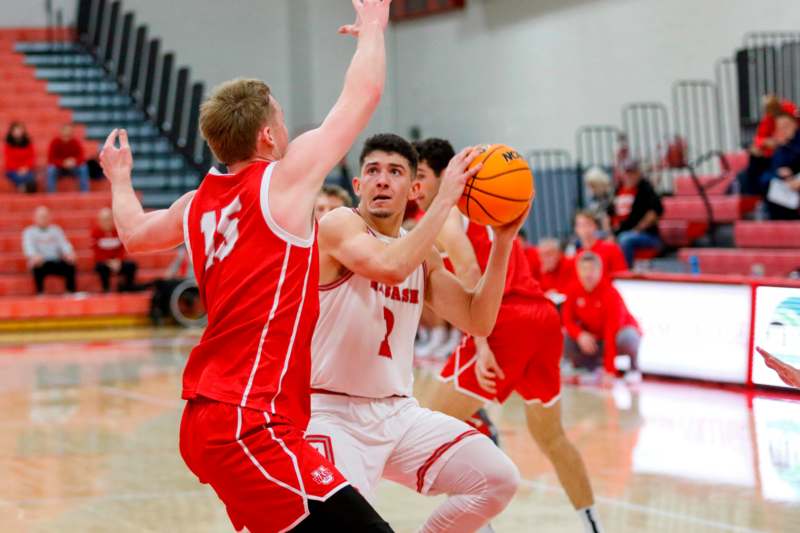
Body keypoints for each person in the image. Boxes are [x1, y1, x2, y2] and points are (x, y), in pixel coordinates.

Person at [98, 1, 395, 531]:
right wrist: (373, 26)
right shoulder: (281, 183)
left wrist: (120, 180)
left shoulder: (196, 204)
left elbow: (135, 235)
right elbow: (361, 97)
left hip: (215, 417)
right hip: (249, 421)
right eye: (279, 116)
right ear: (266, 136)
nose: (284, 125)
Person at [307, 134, 523, 532]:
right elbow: (388, 266)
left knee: (497, 480)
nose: (382, 180)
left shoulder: (422, 252)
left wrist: (502, 242)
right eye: (372, 171)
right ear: (358, 185)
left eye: (395, 172)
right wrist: (445, 202)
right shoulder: (339, 225)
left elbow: (478, 319)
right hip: (331, 415)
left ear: (413, 188)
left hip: (398, 413)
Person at [413, 138, 603, 533]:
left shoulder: (447, 214)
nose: (415, 186)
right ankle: (593, 525)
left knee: (427, 428)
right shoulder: (483, 202)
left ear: (445, 175)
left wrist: (479, 344)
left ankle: (479, 513)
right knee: (550, 435)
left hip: (503, 322)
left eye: (421, 176)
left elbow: (467, 272)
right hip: (541, 318)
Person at [563, 252, 642, 383]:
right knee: (568, 335)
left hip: (615, 336)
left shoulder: (611, 293)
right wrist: (580, 335)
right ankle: (584, 367)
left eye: (592, 269)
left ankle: (633, 369)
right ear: (578, 271)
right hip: (595, 338)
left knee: (629, 337)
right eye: (584, 269)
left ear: (600, 271)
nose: (588, 274)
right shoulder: (573, 290)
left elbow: (612, 330)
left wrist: (610, 371)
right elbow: (567, 320)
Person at [608, 160, 663, 267]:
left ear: (638, 173)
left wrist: (636, 230)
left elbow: (655, 212)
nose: (630, 176)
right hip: (618, 232)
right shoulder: (618, 190)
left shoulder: (645, 189)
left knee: (625, 239)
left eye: (633, 172)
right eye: (627, 172)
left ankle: (625, 272)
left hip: (646, 235)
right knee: (590, 237)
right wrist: (610, 233)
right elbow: (608, 213)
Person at [22, 206, 77, 294]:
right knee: (35, 265)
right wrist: (34, 256)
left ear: (50, 218)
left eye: (45, 217)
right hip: (41, 262)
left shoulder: (56, 230)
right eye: (41, 217)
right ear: (35, 218)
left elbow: (64, 244)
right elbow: (28, 248)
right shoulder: (29, 232)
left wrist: (69, 253)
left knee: (70, 264)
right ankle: (40, 292)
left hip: (55, 261)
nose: (43, 219)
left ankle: (70, 291)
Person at [761, 112, 800, 220]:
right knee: (766, 182)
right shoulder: (781, 148)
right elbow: (771, 171)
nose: (783, 130)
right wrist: (779, 175)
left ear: (795, 124)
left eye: (786, 125)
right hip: (786, 189)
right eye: (780, 127)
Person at [92, 207, 137, 292]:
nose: (107, 222)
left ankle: (128, 287)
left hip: (118, 261)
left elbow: (123, 248)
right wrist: (108, 262)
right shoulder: (95, 232)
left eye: (109, 219)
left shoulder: (118, 231)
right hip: (104, 262)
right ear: (99, 221)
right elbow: (97, 252)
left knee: (131, 265)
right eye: (104, 220)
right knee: (101, 267)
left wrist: (118, 260)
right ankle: (106, 289)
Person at [573, 210, 627, 277]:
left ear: (595, 226)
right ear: (576, 229)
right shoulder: (577, 255)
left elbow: (622, 276)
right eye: (580, 225)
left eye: (588, 224)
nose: (584, 228)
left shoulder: (611, 249)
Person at [47, 124, 90, 193]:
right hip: (59, 168)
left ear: (71, 133)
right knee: (51, 170)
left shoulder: (76, 142)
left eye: (68, 132)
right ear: (61, 132)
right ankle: (51, 194)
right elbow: (51, 159)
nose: (66, 134)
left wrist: (74, 161)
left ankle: (85, 193)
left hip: (73, 167)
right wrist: (63, 163)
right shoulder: (54, 142)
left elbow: (82, 157)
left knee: (83, 168)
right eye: (64, 132)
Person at [4, 122, 36, 192]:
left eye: (19, 130)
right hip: (13, 170)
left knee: (31, 177)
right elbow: (9, 160)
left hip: (26, 169)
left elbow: (31, 157)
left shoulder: (28, 143)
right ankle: (23, 187)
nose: (18, 132)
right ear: (11, 132)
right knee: (17, 176)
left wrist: (25, 168)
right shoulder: (8, 144)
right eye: (16, 130)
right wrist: (18, 169)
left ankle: (25, 188)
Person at [583, 166, 613, 233]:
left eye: (592, 185)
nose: (590, 188)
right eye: (589, 185)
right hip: (595, 227)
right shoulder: (594, 198)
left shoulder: (608, 196)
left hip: (606, 228)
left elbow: (604, 214)